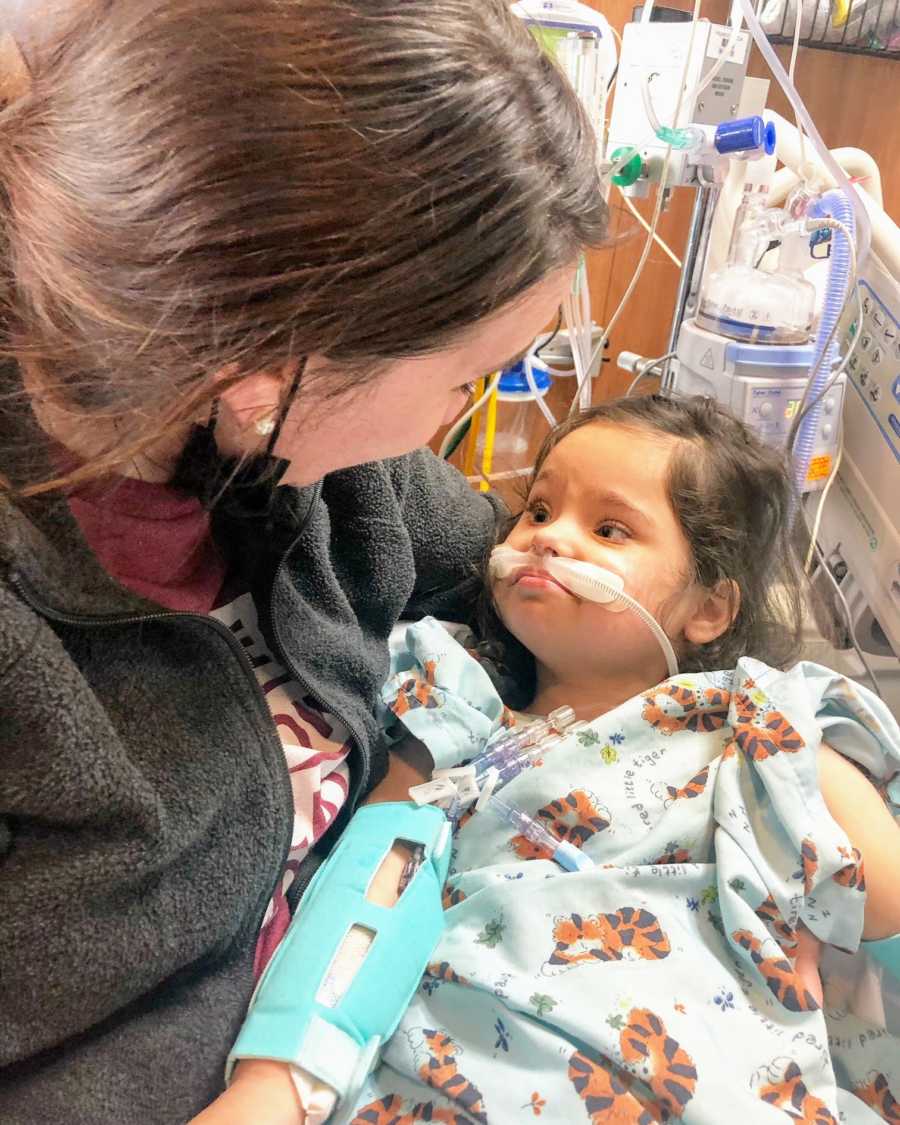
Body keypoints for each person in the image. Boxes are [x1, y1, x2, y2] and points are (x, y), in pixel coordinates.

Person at [0, 1, 610, 1121]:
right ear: (265, 372)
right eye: (467, 374)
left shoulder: (323, 469)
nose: (461, 414)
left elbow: (540, 596)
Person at [301, 395, 896, 1125]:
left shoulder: (754, 733)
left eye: (609, 528)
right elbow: (368, 886)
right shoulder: (448, 700)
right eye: (540, 510)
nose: (551, 540)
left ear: (708, 608)